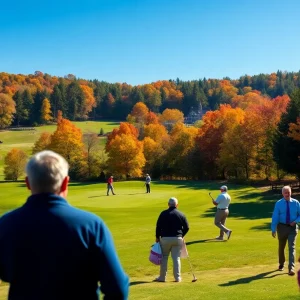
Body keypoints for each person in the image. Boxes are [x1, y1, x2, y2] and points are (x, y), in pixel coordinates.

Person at [0, 150, 129, 300]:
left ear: (28, 183)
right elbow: (118, 288)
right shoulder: (91, 225)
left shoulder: (6, 225)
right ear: (65, 182)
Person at [154, 197, 189, 282]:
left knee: (164, 257)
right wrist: (181, 235)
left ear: (168, 204)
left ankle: (162, 277)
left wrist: (157, 237)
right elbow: (187, 227)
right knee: (176, 258)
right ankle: (177, 278)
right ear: (177, 205)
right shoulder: (181, 214)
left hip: (165, 238)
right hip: (177, 239)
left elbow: (158, 226)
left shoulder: (163, 213)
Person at [271, 185, 300, 276]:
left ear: (291, 192)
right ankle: (281, 263)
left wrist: (296, 221)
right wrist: (273, 229)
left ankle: (291, 268)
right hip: (282, 227)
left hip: (292, 228)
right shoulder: (278, 203)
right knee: (281, 246)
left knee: (292, 247)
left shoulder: (296, 203)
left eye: (289, 192)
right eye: (285, 193)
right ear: (282, 193)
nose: (287, 194)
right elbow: (275, 216)